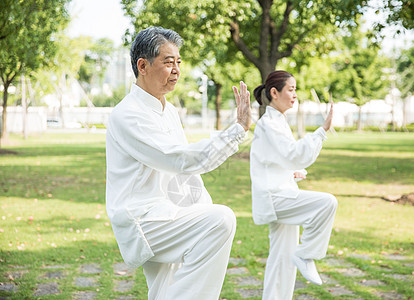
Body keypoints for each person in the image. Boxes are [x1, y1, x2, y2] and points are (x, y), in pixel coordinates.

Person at [105, 26, 251, 300]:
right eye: (168, 62)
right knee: (221, 220)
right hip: (144, 219)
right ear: (142, 65)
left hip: (169, 212)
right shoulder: (127, 115)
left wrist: (201, 206)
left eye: (179, 62)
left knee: (164, 290)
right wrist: (236, 131)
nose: (176, 70)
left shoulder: (168, 109)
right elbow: (178, 159)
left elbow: (183, 176)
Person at [250, 70, 337, 299]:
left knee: (281, 261)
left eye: (295, 89)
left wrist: (292, 172)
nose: (295, 95)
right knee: (327, 203)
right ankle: (307, 253)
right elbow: (293, 154)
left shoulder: (276, 121)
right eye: (291, 89)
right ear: (274, 93)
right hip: (275, 198)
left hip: (280, 193)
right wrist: (322, 131)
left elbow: (274, 159)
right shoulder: (269, 123)